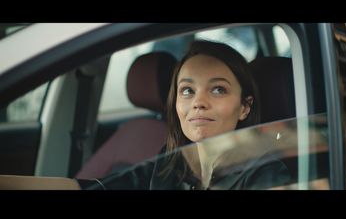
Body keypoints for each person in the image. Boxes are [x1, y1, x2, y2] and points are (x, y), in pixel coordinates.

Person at [0, 40, 291, 190]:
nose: (198, 103)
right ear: (175, 103)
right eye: (187, 91)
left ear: (245, 107)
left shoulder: (265, 173)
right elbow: (91, 188)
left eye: (217, 90)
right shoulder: (173, 162)